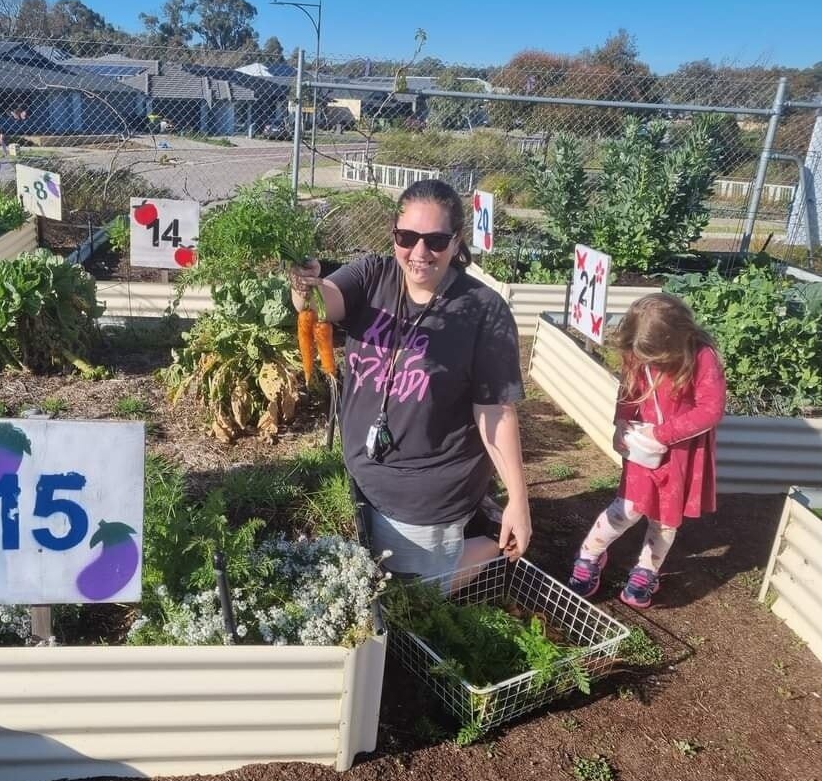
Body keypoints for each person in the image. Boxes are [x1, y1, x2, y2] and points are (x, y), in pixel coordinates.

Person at [289, 179, 532, 585]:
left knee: (414, 595)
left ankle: (489, 537)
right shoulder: (372, 277)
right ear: (393, 234)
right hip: (360, 473)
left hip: (428, 490)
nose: (420, 253)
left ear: (456, 242)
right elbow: (321, 303)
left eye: (436, 241)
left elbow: (495, 412)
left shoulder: (483, 311)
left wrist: (519, 502)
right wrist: (305, 285)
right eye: (407, 237)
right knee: (370, 577)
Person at [568, 293, 726, 609]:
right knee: (627, 508)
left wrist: (663, 433)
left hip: (680, 452)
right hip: (644, 448)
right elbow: (628, 390)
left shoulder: (702, 357)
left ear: (678, 340)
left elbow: (711, 409)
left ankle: (646, 569)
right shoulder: (638, 351)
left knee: (665, 517)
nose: (648, 364)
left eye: (655, 359)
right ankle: (589, 554)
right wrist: (621, 423)